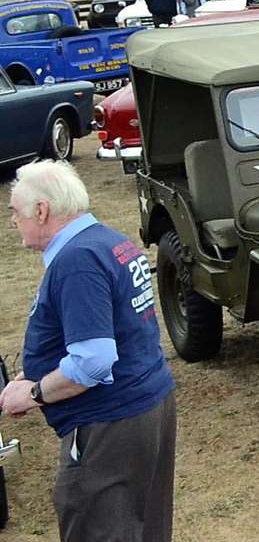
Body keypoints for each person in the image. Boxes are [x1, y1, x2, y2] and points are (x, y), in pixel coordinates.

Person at [4, 160, 178, 540]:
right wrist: (41, 371)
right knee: (145, 527)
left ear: (41, 210)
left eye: (14, 212)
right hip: (146, 408)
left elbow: (96, 360)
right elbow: (122, 330)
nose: (12, 221)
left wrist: (34, 394)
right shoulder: (109, 241)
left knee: (99, 529)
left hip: (109, 423)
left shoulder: (77, 261)